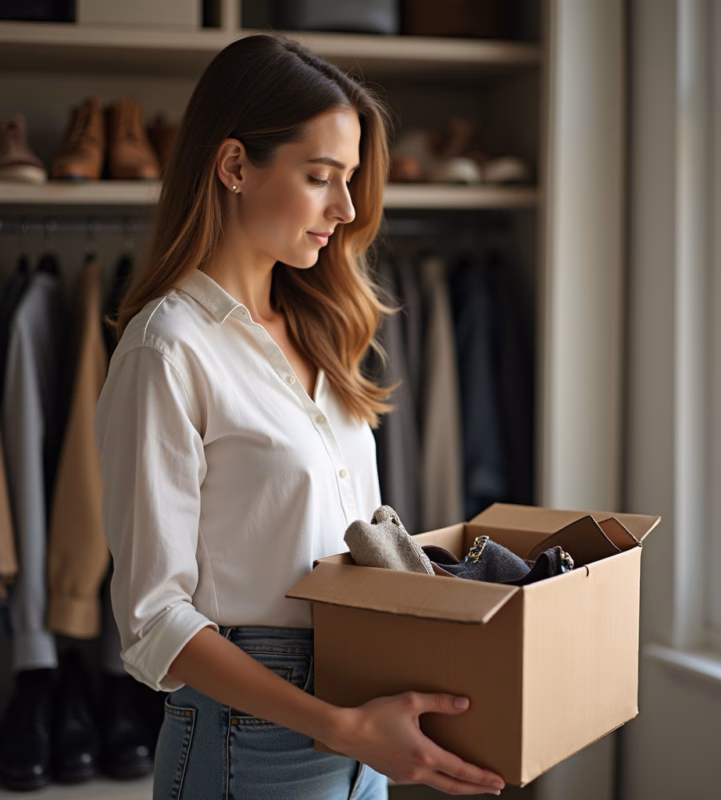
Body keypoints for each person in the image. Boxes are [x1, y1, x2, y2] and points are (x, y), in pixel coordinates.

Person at [94, 32, 507, 799]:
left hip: (359, 715)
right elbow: (154, 622)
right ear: (234, 166)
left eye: (349, 180)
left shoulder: (326, 329)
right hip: (251, 739)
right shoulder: (167, 350)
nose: (346, 209)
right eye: (321, 177)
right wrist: (337, 724)